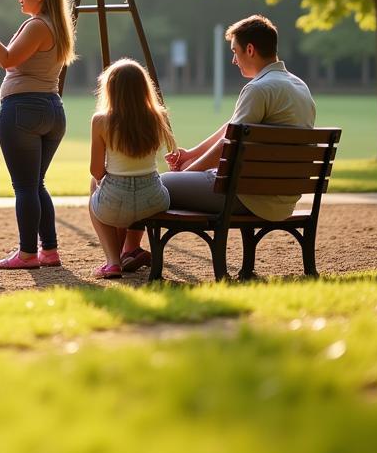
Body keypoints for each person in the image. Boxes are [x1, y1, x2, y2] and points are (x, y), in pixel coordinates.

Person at [119, 14, 317, 272]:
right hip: (283, 196)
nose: (234, 60)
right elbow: (231, 128)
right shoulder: (298, 86)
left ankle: (128, 251)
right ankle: (130, 251)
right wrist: (192, 154)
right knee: (161, 182)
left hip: (246, 196)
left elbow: (229, 143)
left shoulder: (259, 89)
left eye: (235, 52)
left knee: (150, 184)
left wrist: (189, 171)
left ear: (250, 49)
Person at [0, 0, 76, 270]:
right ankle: (49, 250)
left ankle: (28, 253)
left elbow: (6, 60)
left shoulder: (37, 25)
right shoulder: (56, 26)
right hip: (52, 109)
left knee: (25, 187)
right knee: (36, 184)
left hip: (24, 110)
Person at [87, 59, 175, 279]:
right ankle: (131, 249)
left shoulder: (101, 121)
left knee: (96, 190)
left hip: (116, 200)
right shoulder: (158, 117)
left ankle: (112, 262)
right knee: (130, 195)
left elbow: (96, 171)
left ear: (110, 89)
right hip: (153, 199)